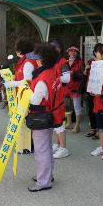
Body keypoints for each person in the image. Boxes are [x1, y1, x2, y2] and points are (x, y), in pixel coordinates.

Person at [27, 43, 63, 192]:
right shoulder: (53, 71)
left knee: (41, 149)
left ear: (43, 60)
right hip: (52, 114)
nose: (35, 61)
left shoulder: (42, 77)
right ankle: (48, 175)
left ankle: (43, 181)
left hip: (41, 116)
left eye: (37, 58)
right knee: (47, 147)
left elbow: (35, 100)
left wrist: (23, 93)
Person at [4, 38, 38, 154]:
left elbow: (28, 81)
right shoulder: (27, 60)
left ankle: (29, 146)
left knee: (27, 121)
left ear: (19, 51)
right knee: (25, 121)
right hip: (24, 94)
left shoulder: (28, 62)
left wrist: (11, 83)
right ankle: (26, 145)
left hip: (27, 95)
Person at [49, 39, 71, 159]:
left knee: (58, 121)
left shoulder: (63, 61)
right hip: (55, 94)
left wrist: (54, 77)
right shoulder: (52, 61)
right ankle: (58, 144)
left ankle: (63, 147)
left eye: (55, 47)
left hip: (61, 95)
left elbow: (67, 78)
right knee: (55, 121)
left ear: (59, 49)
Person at [65, 45, 84, 132]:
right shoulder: (65, 61)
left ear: (77, 52)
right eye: (70, 51)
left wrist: (74, 73)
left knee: (77, 105)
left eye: (74, 51)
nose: (72, 52)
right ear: (68, 52)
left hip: (76, 86)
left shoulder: (80, 62)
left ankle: (77, 125)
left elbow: (83, 75)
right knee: (67, 105)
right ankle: (69, 123)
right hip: (66, 86)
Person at [84, 56, 98, 139]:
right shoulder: (90, 61)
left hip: (99, 91)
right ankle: (93, 129)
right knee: (90, 110)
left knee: (98, 111)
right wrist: (86, 69)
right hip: (90, 89)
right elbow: (85, 74)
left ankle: (99, 130)